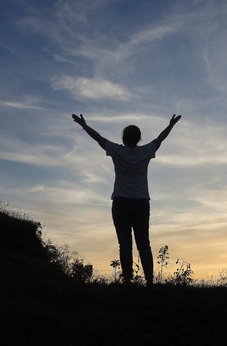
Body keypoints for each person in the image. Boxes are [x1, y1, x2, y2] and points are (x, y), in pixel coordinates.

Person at [72, 113, 181, 285]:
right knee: (144, 244)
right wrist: (171, 125)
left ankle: (128, 280)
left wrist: (84, 125)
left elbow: (98, 138)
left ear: (123, 138)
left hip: (121, 202)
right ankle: (150, 281)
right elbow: (160, 139)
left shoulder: (117, 150)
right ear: (139, 139)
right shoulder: (145, 151)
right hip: (141, 203)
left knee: (125, 245)